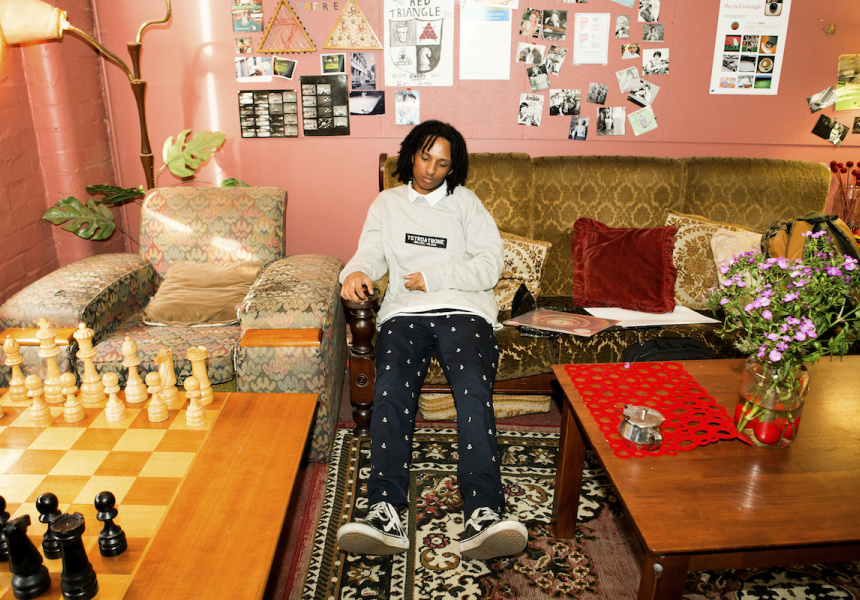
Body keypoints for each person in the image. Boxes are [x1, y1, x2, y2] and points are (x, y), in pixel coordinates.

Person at [336, 121, 528, 560]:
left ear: (452, 168)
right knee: (390, 390)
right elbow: (370, 252)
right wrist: (356, 272)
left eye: (442, 164)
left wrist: (435, 276)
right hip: (405, 314)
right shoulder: (386, 204)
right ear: (410, 155)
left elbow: (490, 265)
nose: (430, 170)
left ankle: (484, 513)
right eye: (425, 158)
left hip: (463, 310)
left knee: (473, 390)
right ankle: (384, 511)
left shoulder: (466, 203)